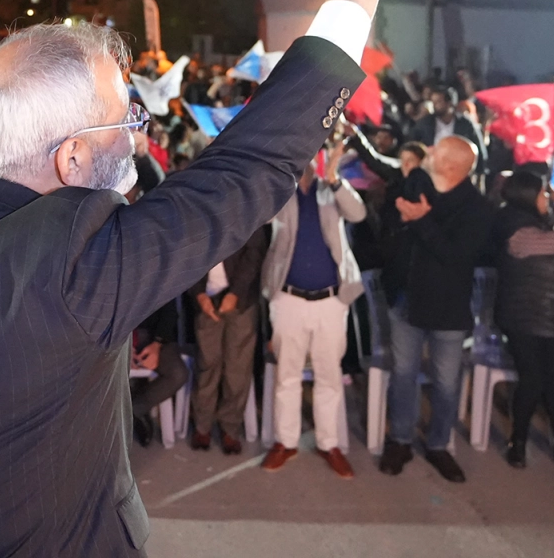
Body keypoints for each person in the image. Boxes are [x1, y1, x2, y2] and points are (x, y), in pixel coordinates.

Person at [0, 0, 430, 555]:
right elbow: (250, 164)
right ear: (70, 157)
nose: (137, 138)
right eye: (124, 120)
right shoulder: (67, 271)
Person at [371, 134, 489, 483]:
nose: (430, 151)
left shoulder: (477, 208)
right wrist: (403, 220)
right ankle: (401, 439)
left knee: (447, 382)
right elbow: (391, 225)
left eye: (437, 150)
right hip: (408, 298)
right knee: (403, 374)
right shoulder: (416, 183)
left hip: (448, 306)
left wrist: (422, 220)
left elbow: (456, 255)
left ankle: (439, 443)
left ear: (452, 166)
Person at [259, 147, 366, 477]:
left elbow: (358, 213)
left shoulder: (330, 189)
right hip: (288, 298)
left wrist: (334, 179)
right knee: (287, 375)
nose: (305, 159)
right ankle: (285, 442)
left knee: (329, 375)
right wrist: (278, 173)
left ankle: (328, 442)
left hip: (332, 301)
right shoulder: (281, 190)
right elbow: (260, 215)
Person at [491, 167, 554, 477]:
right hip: (522, 315)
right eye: (543, 193)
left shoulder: (534, 221)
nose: (547, 197)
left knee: (553, 382)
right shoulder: (514, 225)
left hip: (550, 314)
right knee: (533, 378)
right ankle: (518, 441)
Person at [186, 224, 265, 455]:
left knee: (237, 367)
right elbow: (186, 255)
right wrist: (199, 294)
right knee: (207, 363)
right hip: (206, 297)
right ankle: (203, 425)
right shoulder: (195, 206)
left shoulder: (246, 201)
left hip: (241, 299)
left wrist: (235, 293)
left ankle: (230, 427)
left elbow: (255, 252)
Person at [127, 297, 187, 449]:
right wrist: (122, 348)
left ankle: (134, 409)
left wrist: (157, 344)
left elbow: (170, 312)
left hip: (154, 336)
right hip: (118, 339)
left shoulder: (160, 274)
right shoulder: (110, 275)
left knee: (177, 373)